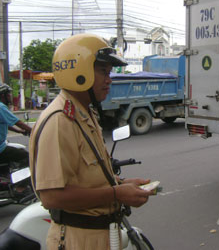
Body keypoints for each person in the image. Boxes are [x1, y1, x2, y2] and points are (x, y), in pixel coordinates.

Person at [29, 33, 154, 250]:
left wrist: (122, 184)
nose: (109, 80)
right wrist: (116, 193)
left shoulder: (84, 114)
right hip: (77, 240)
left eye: (109, 73)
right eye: (103, 72)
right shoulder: (60, 120)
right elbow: (52, 196)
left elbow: (87, 177)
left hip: (100, 235)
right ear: (79, 72)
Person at [0, 83, 32, 168]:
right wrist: (34, 131)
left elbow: (6, 123)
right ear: (3, 95)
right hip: (0, 148)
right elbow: (18, 122)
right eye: (9, 94)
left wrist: (19, 131)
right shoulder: (1, 107)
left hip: (2, 145)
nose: (10, 96)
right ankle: (23, 180)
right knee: (26, 156)